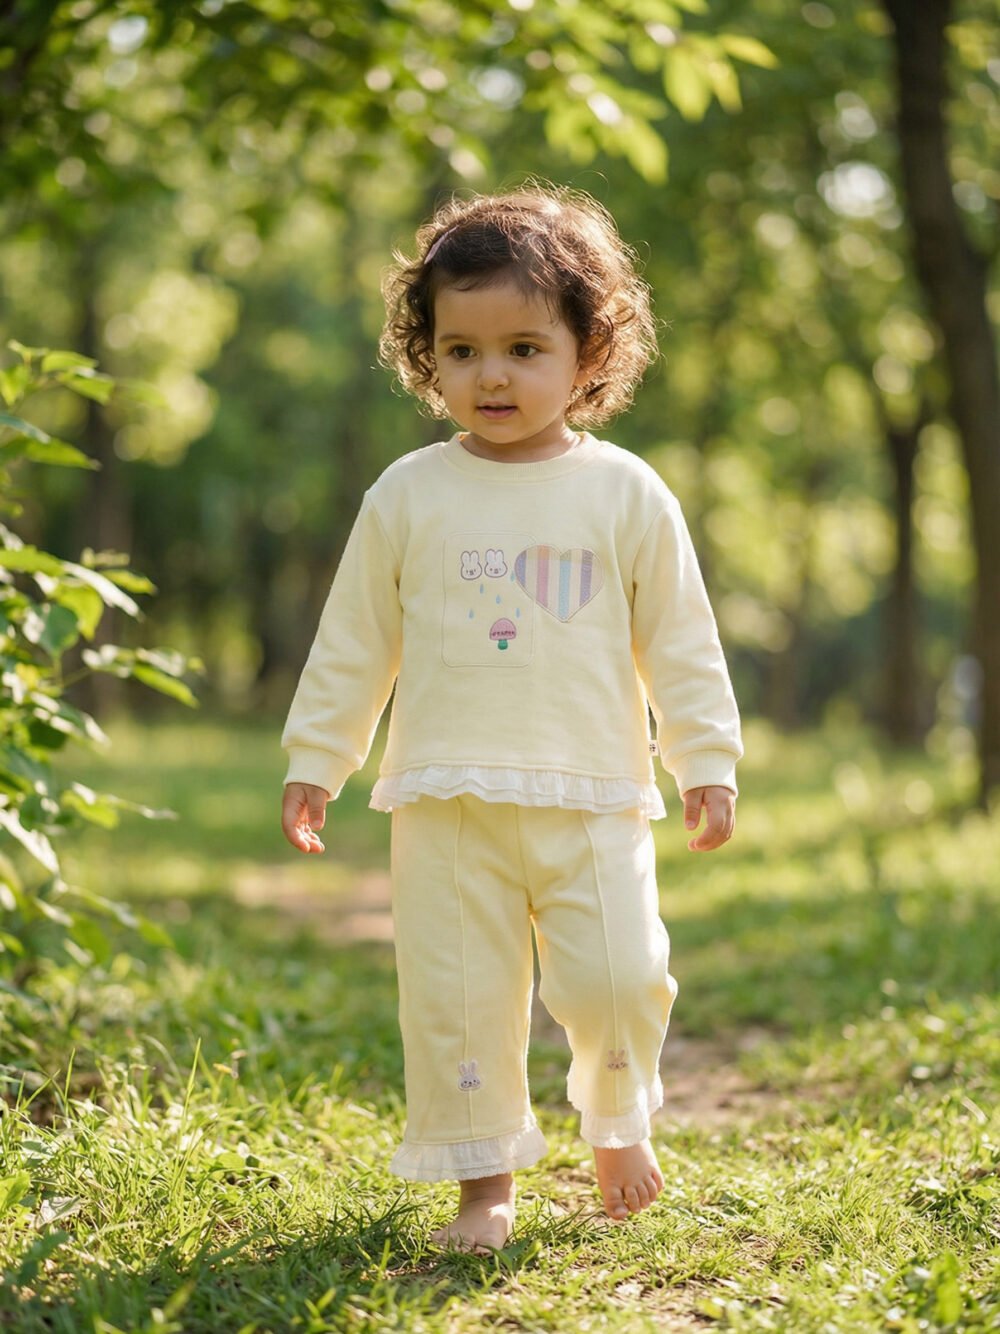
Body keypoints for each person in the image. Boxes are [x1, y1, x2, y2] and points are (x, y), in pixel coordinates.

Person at [280, 184, 742, 1254]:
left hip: (592, 794)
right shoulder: (407, 493)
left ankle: (616, 1119)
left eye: (525, 346)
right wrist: (320, 756)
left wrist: (704, 761)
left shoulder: (627, 495)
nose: (491, 374)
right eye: (461, 350)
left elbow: (679, 638)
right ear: (426, 358)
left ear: (590, 354)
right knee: (457, 1001)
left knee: (621, 974)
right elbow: (355, 638)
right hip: (443, 796)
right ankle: (481, 1182)